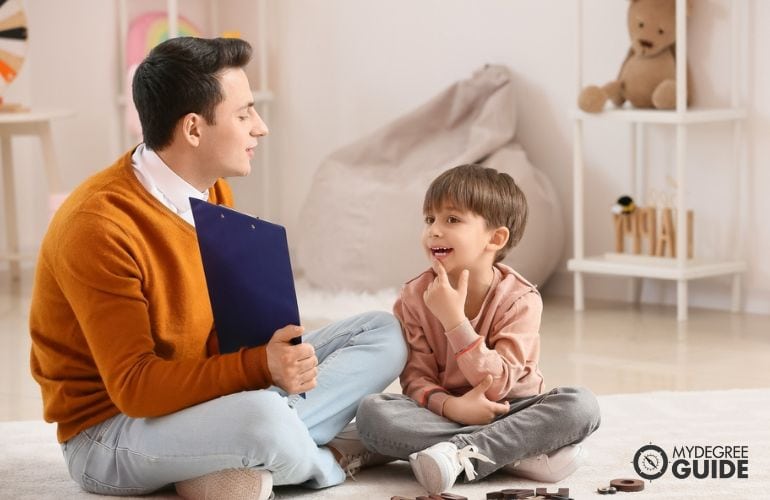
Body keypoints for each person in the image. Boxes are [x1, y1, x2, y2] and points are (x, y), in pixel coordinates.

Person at [28, 37, 406, 499]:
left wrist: (273, 356)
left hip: (202, 396)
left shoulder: (209, 188)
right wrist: (257, 368)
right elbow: (135, 389)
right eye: (244, 113)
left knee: (381, 332)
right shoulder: (99, 226)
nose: (260, 128)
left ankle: (231, 456)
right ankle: (328, 461)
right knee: (262, 420)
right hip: (111, 433)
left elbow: (221, 327)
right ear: (193, 129)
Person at [356, 164, 601, 494]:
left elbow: (499, 385)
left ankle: (456, 454)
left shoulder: (521, 299)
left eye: (452, 220)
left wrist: (455, 322)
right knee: (373, 413)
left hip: (511, 410)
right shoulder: (414, 297)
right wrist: (453, 407)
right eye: (430, 219)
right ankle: (513, 455)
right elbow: (416, 379)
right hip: (444, 412)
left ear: (496, 238)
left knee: (581, 406)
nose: (434, 231)